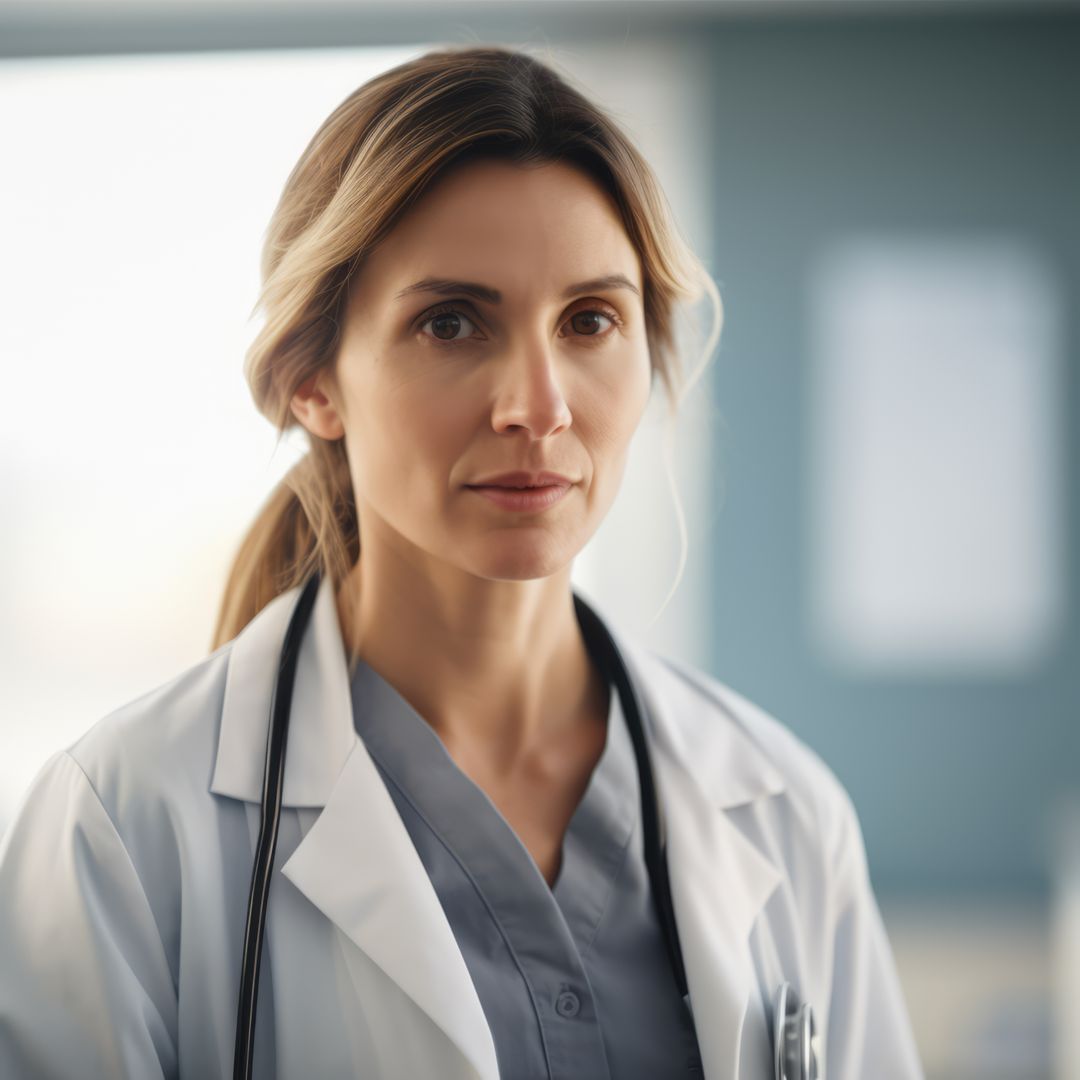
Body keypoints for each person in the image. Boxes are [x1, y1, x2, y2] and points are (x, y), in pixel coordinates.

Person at [0, 44, 923, 1080]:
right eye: (451, 322)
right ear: (315, 383)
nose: (539, 405)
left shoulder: (786, 810)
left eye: (590, 321)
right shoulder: (124, 827)